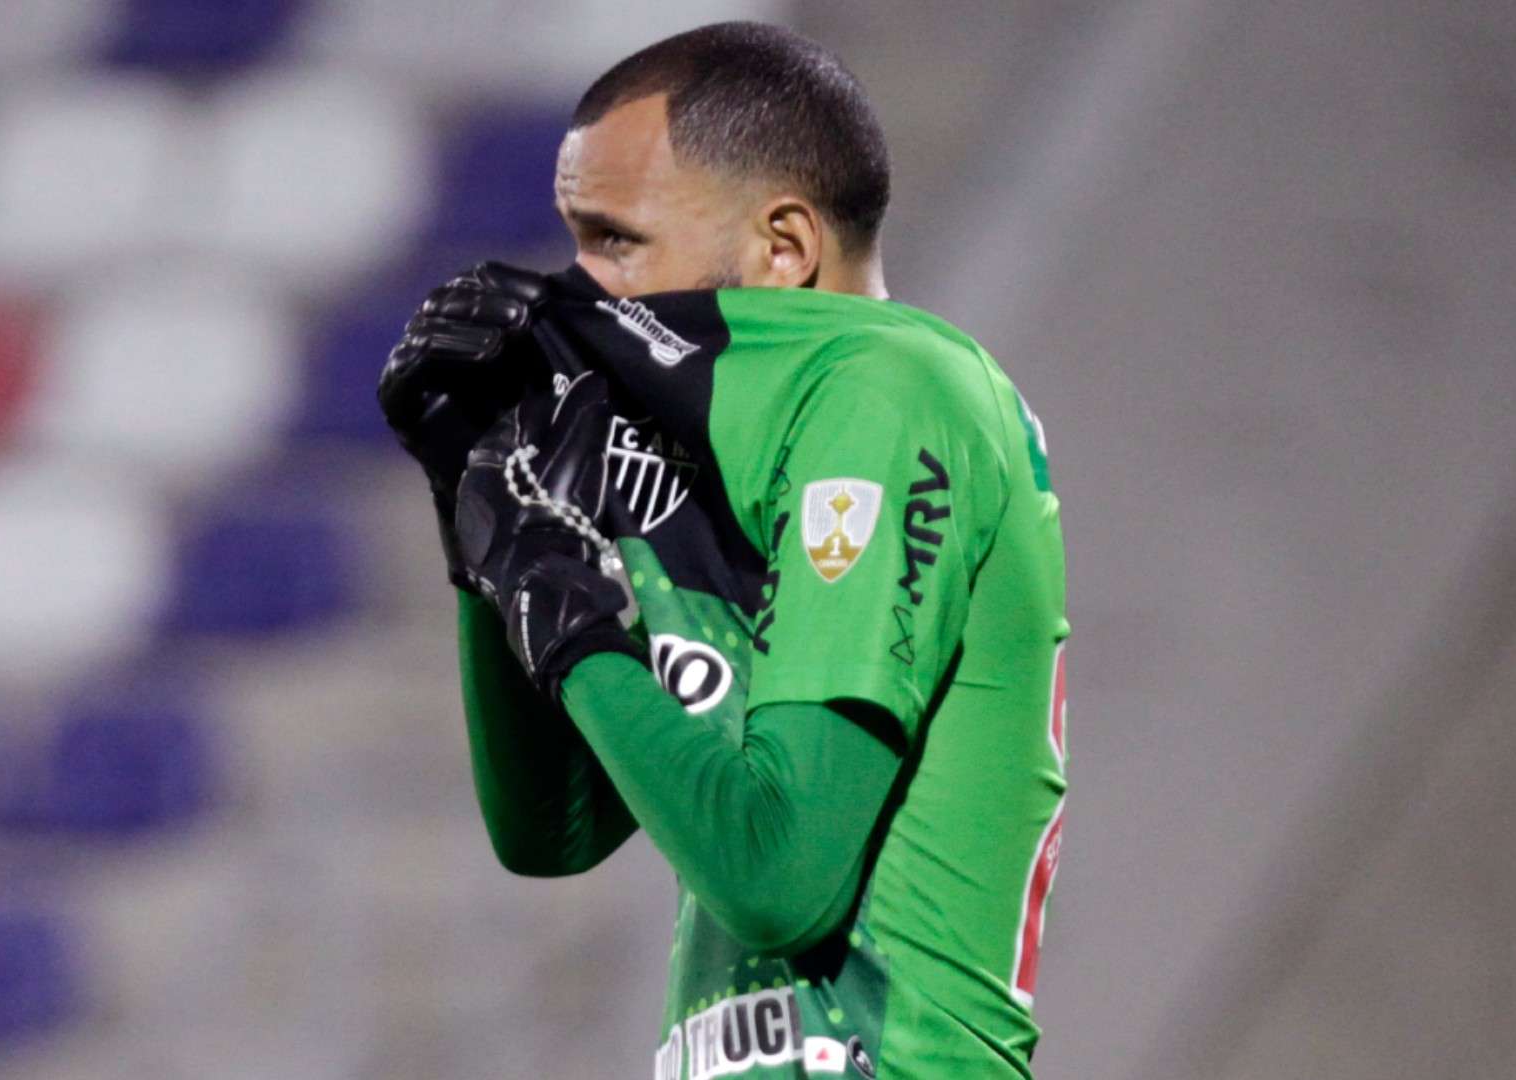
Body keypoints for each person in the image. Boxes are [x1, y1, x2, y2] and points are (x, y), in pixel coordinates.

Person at [379, 22, 1070, 1079]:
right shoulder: (713, 469)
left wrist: (571, 624)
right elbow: (547, 830)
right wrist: (492, 527)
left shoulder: (886, 392)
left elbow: (775, 878)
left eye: (615, 241)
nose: (579, 288)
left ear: (782, 249)